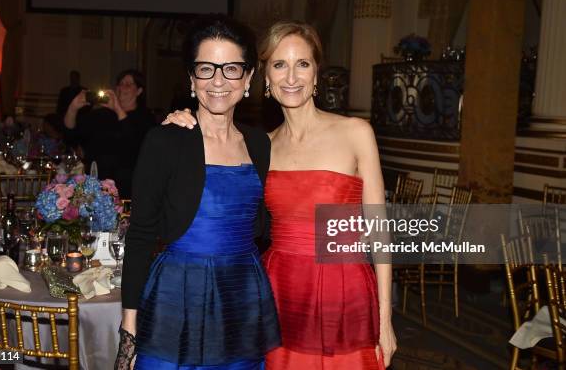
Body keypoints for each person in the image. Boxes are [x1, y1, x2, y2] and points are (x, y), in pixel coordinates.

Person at [164, 21, 397, 369]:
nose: (292, 76)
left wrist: (385, 319)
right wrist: (182, 126)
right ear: (265, 79)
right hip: (278, 291)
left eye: (302, 63)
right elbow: (216, 196)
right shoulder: (260, 146)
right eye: (279, 64)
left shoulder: (356, 133)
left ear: (316, 73)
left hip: (344, 289)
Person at [118, 16, 280, 370]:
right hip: (177, 296)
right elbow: (142, 234)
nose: (219, 80)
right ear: (192, 78)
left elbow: (266, 225)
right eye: (206, 69)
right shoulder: (165, 140)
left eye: (232, 68)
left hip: (241, 295)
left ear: (249, 77)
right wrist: (129, 325)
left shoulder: (259, 143)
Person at [64, 69, 155, 198]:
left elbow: (134, 143)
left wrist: (118, 108)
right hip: (95, 183)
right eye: (120, 84)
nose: (122, 88)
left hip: (125, 187)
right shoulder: (102, 114)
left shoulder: (144, 118)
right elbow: (70, 135)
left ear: (139, 91)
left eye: (128, 84)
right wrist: (73, 107)